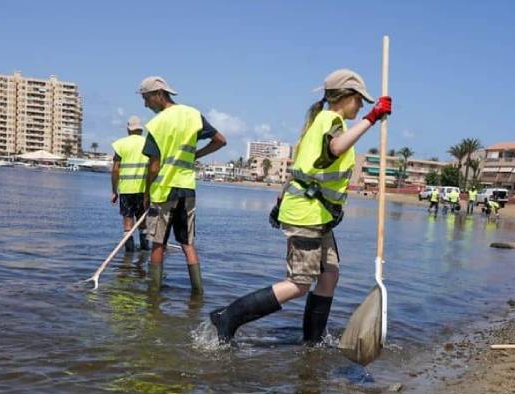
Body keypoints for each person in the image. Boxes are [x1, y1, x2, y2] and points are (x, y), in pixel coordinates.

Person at [209, 69, 392, 343]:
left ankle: (312, 342)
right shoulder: (331, 119)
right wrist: (372, 118)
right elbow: (336, 148)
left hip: (319, 215)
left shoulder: (322, 121)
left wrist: (282, 202)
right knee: (299, 283)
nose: (362, 105)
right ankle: (229, 316)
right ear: (346, 96)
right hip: (307, 213)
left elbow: (308, 168)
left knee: (330, 274)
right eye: (360, 100)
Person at [139, 76, 227, 295]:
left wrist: (147, 193)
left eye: (146, 98)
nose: (145, 104)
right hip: (187, 188)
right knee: (188, 243)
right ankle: (198, 294)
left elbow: (154, 166)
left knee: (158, 244)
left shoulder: (157, 124)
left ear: (158, 94)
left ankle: (153, 295)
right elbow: (220, 140)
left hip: (163, 190)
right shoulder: (193, 115)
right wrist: (197, 154)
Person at [111, 116, 150, 252]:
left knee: (128, 224)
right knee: (143, 223)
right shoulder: (149, 143)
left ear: (128, 129)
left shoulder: (120, 144)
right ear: (141, 130)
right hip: (144, 190)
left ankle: (128, 257)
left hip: (126, 190)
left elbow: (116, 169)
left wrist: (114, 191)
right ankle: (145, 253)